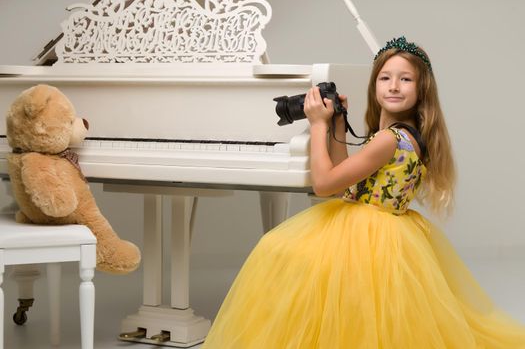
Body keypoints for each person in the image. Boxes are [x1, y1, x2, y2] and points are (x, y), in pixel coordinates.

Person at [202, 36, 525, 348]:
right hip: (389, 229)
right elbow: (347, 182)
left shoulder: (388, 139)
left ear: (422, 90)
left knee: (277, 249)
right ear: (374, 85)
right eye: (385, 77)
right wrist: (338, 126)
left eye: (405, 79)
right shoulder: (401, 135)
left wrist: (316, 125)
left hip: (368, 231)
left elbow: (325, 185)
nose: (394, 86)